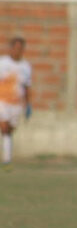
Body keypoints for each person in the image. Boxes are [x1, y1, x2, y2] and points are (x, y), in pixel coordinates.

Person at [0, 37, 32, 166]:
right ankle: (7, 161)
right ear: (11, 49)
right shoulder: (2, 63)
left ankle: (7, 156)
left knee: (10, 130)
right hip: (2, 101)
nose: (17, 51)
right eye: (16, 48)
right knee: (4, 128)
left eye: (20, 49)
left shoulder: (26, 67)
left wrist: (28, 104)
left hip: (16, 103)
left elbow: (27, 87)